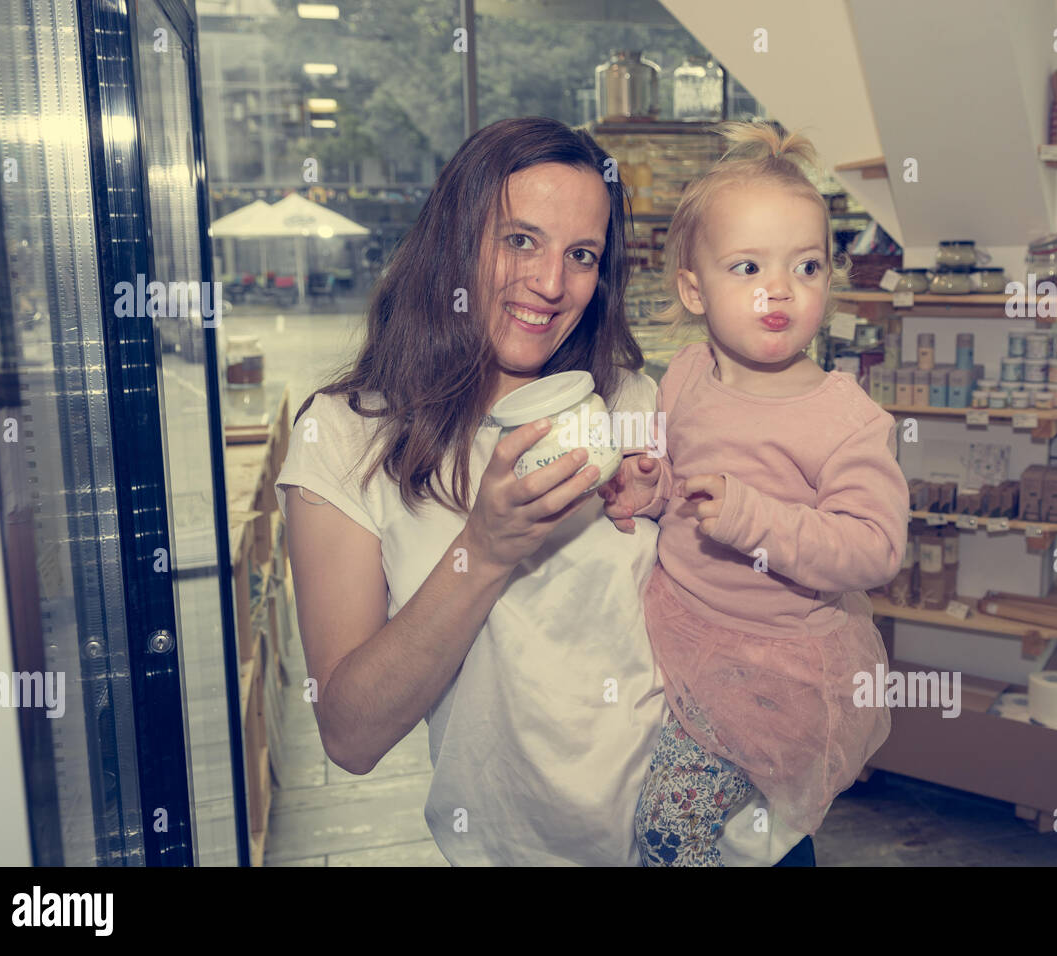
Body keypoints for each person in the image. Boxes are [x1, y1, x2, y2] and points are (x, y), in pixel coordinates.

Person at [275, 116, 807, 865]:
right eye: (520, 240)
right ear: (454, 239)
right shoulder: (344, 437)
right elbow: (349, 734)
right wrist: (485, 552)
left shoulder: (628, 397)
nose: (552, 284)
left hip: (734, 839)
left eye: (581, 254)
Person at [599, 121, 909, 866]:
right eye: (747, 267)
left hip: (777, 671)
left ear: (831, 281)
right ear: (692, 289)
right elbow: (680, 483)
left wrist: (752, 517)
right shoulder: (686, 375)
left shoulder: (844, 419)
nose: (780, 289)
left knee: (672, 830)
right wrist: (647, 487)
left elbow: (874, 548)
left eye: (807, 266)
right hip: (681, 631)